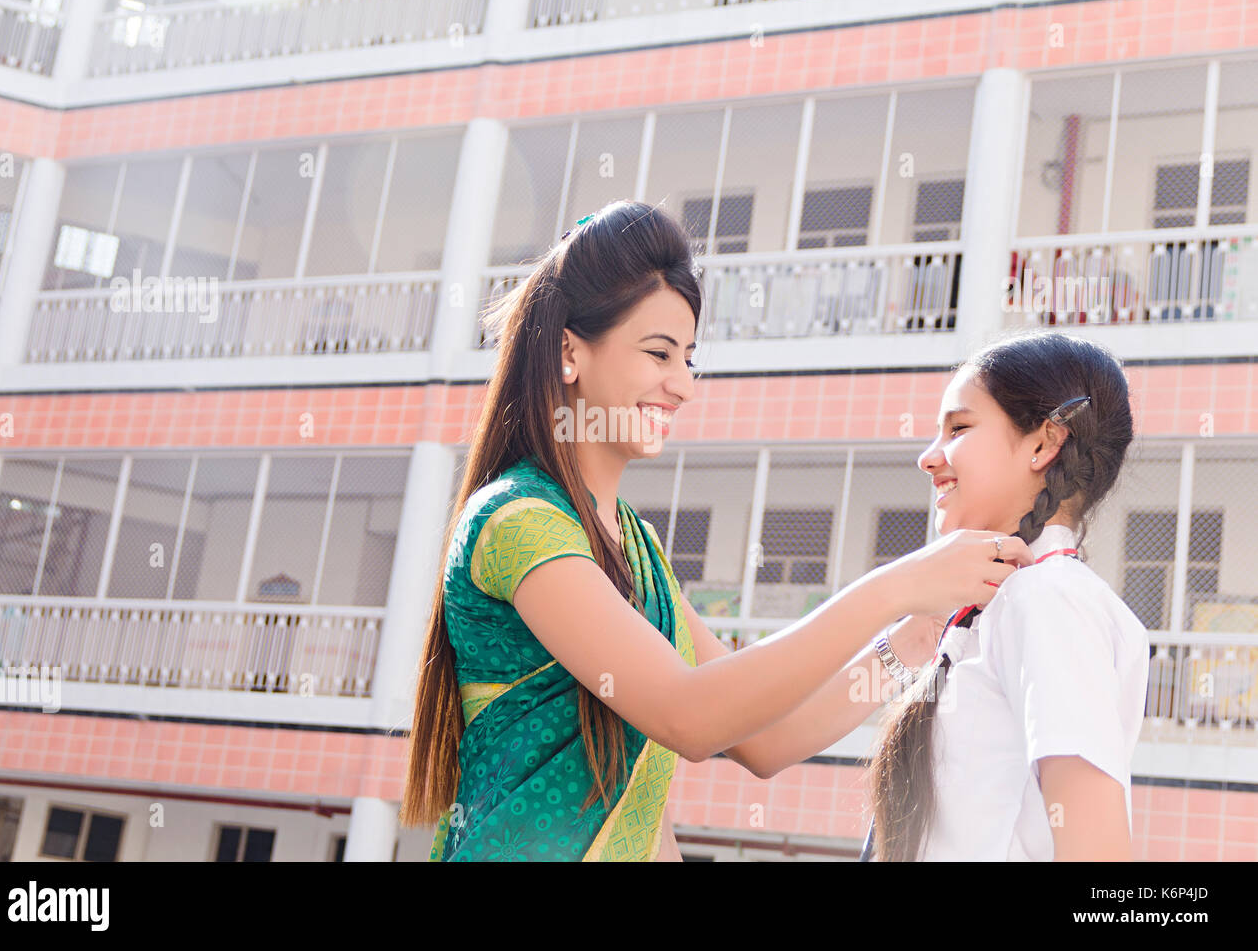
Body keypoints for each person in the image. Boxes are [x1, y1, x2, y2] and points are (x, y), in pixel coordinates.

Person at [399, 200, 1032, 861]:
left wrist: (909, 642)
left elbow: (763, 738)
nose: (682, 387)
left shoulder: (637, 548)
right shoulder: (519, 521)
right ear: (568, 352)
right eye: (659, 354)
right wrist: (896, 585)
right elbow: (690, 718)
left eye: (689, 359)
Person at [858, 330, 1149, 861]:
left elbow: (1097, 854)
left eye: (959, 428)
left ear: (1044, 444)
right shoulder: (1001, 603)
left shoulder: (1048, 599)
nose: (928, 457)